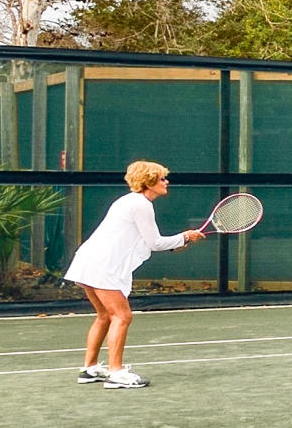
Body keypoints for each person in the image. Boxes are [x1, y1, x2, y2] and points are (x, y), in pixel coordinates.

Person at [65, 160, 207, 388]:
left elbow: (143, 240)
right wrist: (186, 237)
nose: (166, 182)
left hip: (89, 261)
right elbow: (154, 242)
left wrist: (177, 243)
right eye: (162, 178)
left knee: (104, 316)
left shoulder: (128, 202)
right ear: (149, 182)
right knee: (122, 316)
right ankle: (116, 373)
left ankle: (89, 369)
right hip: (103, 265)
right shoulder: (141, 204)